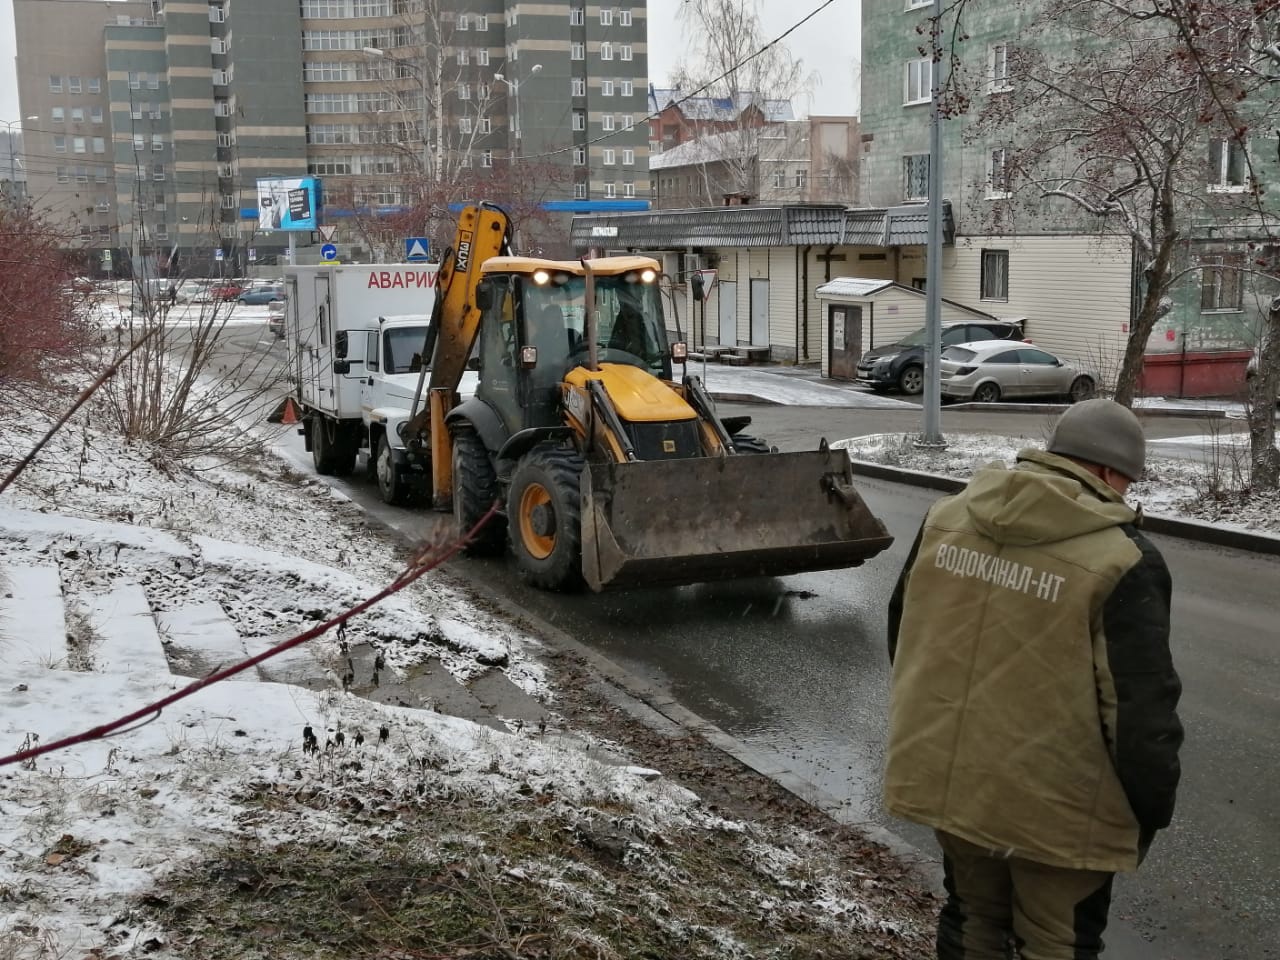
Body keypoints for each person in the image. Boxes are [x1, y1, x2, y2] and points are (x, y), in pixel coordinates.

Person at [885, 399, 1183, 960]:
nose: (1125, 495)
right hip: (1061, 809)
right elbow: (1141, 710)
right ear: (1106, 472)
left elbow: (904, 633)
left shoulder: (946, 519)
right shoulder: (1123, 559)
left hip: (955, 781)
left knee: (973, 919)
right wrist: (1151, 809)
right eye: (1126, 482)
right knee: (1056, 943)